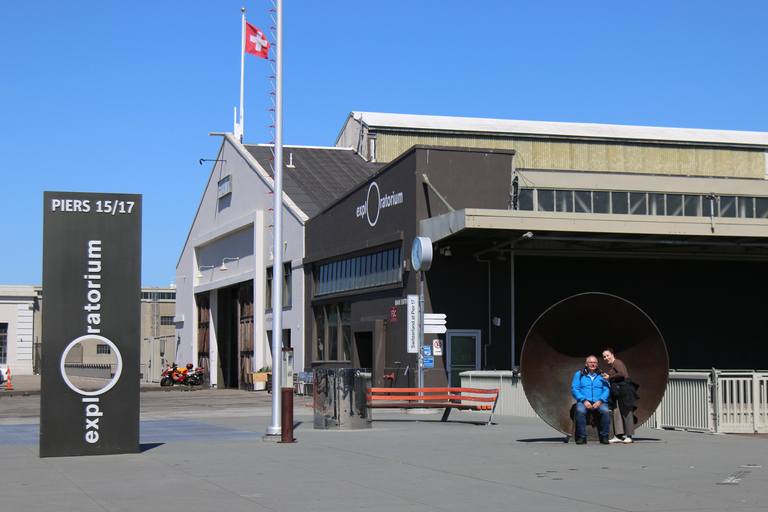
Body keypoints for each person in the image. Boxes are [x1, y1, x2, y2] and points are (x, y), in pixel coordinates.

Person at [601, 348, 639, 444]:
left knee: (626, 412)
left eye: (608, 355)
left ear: (612, 354)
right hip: (617, 392)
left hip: (624, 390)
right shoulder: (613, 365)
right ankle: (618, 435)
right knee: (617, 412)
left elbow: (621, 374)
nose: (606, 358)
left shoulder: (617, 362)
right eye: (604, 357)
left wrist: (610, 377)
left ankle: (629, 436)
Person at [571, 355, 611, 444]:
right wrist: (584, 401)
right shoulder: (579, 374)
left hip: (599, 401)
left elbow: (606, 389)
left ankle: (604, 435)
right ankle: (582, 436)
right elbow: (575, 389)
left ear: (597, 364)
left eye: (594, 362)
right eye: (590, 362)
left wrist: (600, 401)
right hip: (584, 401)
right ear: (586, 364)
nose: (592, 364)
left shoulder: (602, 375)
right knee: (580, 411)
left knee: (605, 411)